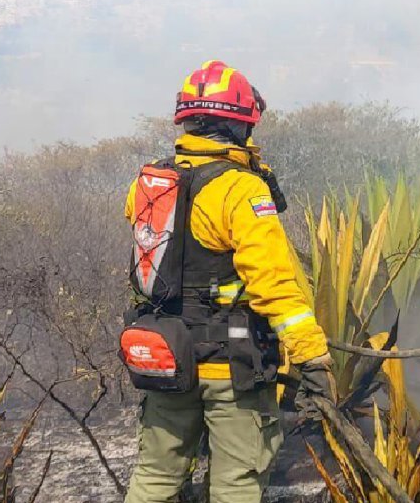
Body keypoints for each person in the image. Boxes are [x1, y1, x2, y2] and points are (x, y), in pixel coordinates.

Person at [123, 60, 334, 503]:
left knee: (156, 476)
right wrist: (312, 358)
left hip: (166, 356)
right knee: (237, 481)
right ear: (241, 126)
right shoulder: (241, 189)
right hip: (230, 367)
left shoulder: (149, 184)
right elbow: (273, 284)